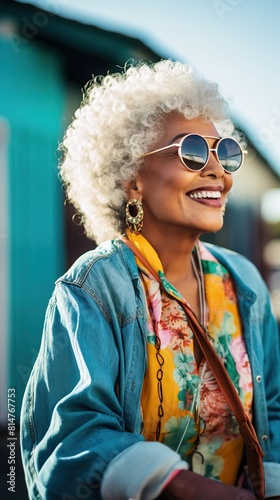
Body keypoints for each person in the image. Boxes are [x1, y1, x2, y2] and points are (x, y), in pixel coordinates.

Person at [20, 60, 280, 500]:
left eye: (226, 153)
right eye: (193, 151)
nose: (218, 171)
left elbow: (272, 408)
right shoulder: (92, 287)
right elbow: (72, 439)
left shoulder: (245, 282)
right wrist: (181, 488)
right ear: (132, 178)